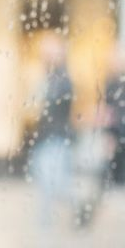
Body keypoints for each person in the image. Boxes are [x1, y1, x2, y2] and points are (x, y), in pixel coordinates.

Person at [76, 47, 125, 228]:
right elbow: (110, 110)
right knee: (105, 182)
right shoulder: (112, 82)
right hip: (115, 139)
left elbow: (123, 114)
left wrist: (113, 136)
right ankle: (85, 219)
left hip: (122, 141)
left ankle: (85, 219)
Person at [29, 33, 76, 227]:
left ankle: (78, 204)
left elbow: (55, 107)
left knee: (53, 184)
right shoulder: (49, 76)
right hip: (46, 137)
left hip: (56, 138)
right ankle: (44, 223)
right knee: (45, 182)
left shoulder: (62, 78)